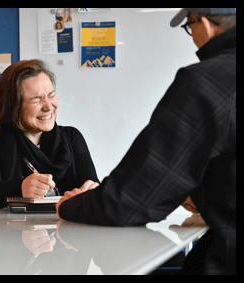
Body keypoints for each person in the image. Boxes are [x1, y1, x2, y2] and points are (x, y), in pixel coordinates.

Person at [56, 8, 236, 275]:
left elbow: (128, 201)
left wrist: (67, 205)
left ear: (205, 24)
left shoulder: (205, 82)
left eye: (189, 27)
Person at [0, 59, 99, 209]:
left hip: (69, 228)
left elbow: (90, 183)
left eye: (51, 95)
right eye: (36, 100)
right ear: (14, 106)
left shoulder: (72, 137)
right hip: (15, 231)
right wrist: (20, 187)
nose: (48, 106)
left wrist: (93, 191)